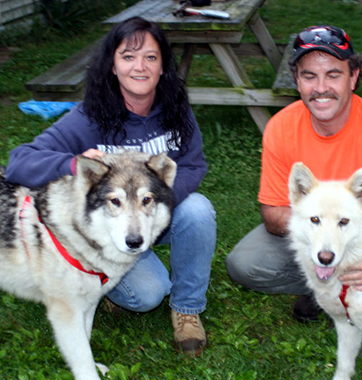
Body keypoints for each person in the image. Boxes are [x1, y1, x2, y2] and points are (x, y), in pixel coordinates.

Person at [6, 16, 216, 357]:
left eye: (150, 57)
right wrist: (73, 164)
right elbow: (19, 161)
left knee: (198, 210)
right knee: (148, 295)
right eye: (128, 56)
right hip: (108, 230)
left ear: (163, 66)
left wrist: (158, 203)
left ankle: (188, 309)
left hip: (151, 216)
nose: (140, 66)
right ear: (113, 66)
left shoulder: (175, 109)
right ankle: (100, 287)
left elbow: (193, 165)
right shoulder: (90, 116)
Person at [225, 25, 362, 331]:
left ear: (353, 77)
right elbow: (273, 213)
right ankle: (331, 286)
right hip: (315, 231)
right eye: (309, 76)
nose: (321, 87)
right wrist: (321, 225)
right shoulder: (281, 128)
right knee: (245, 263)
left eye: (333, 74)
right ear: (297, 80)